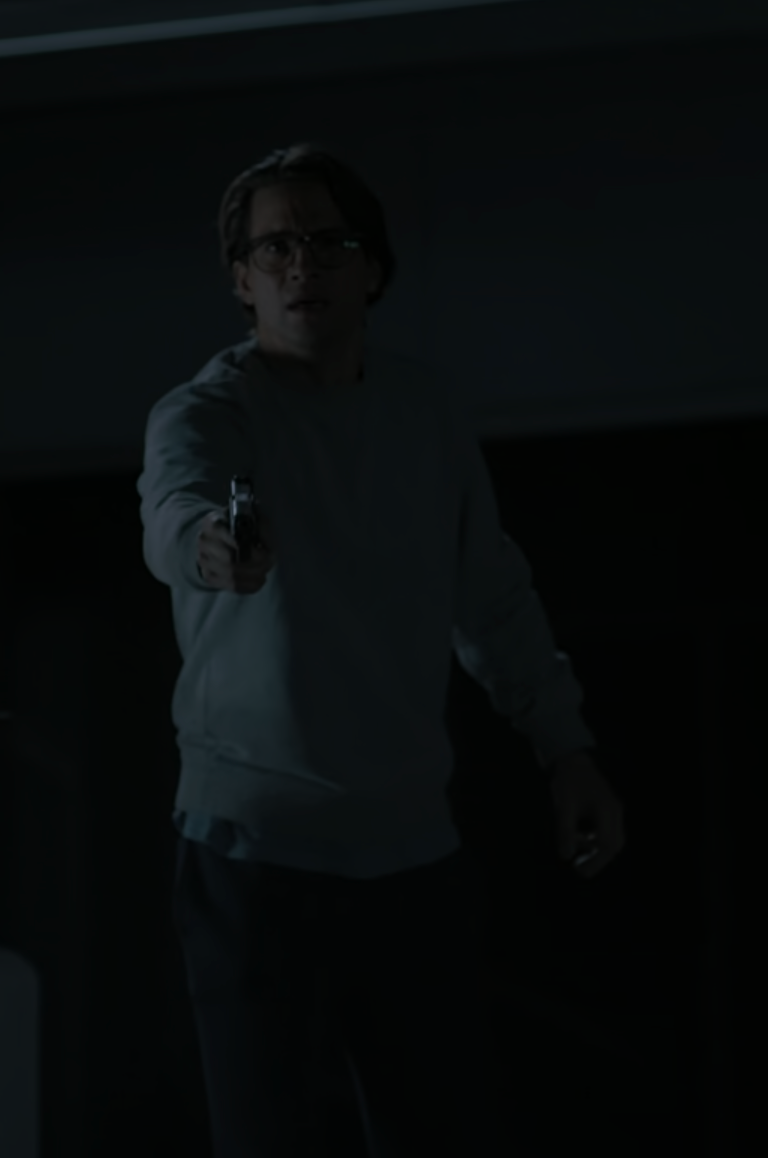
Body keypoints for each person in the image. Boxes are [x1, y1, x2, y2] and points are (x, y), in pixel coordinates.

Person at [136, 143, 628, 1158]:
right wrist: (210, 546)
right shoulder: (208, 412)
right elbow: (175, 507)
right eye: (275, 248)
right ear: (241, 280)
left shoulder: (423, 414)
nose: (302, 266)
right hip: (253, 853)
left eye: (329, 243)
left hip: (410, 857)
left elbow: (489, 596)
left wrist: (567, 748)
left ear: (373, 269)